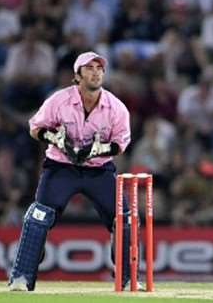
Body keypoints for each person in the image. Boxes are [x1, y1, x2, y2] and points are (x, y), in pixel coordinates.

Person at [8, 51, 132, 291]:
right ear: (77, 75)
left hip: (98, 170)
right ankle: (22, 277)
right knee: (38, 216)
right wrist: (55, 138)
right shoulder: (59, 100)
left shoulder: (116, 107)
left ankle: (127, 278)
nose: (96, 73)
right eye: (89, 68)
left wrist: (95, 151)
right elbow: (35, 127)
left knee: (124, 219)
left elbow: (121, 145)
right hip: (61, 167)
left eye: (99, 69)